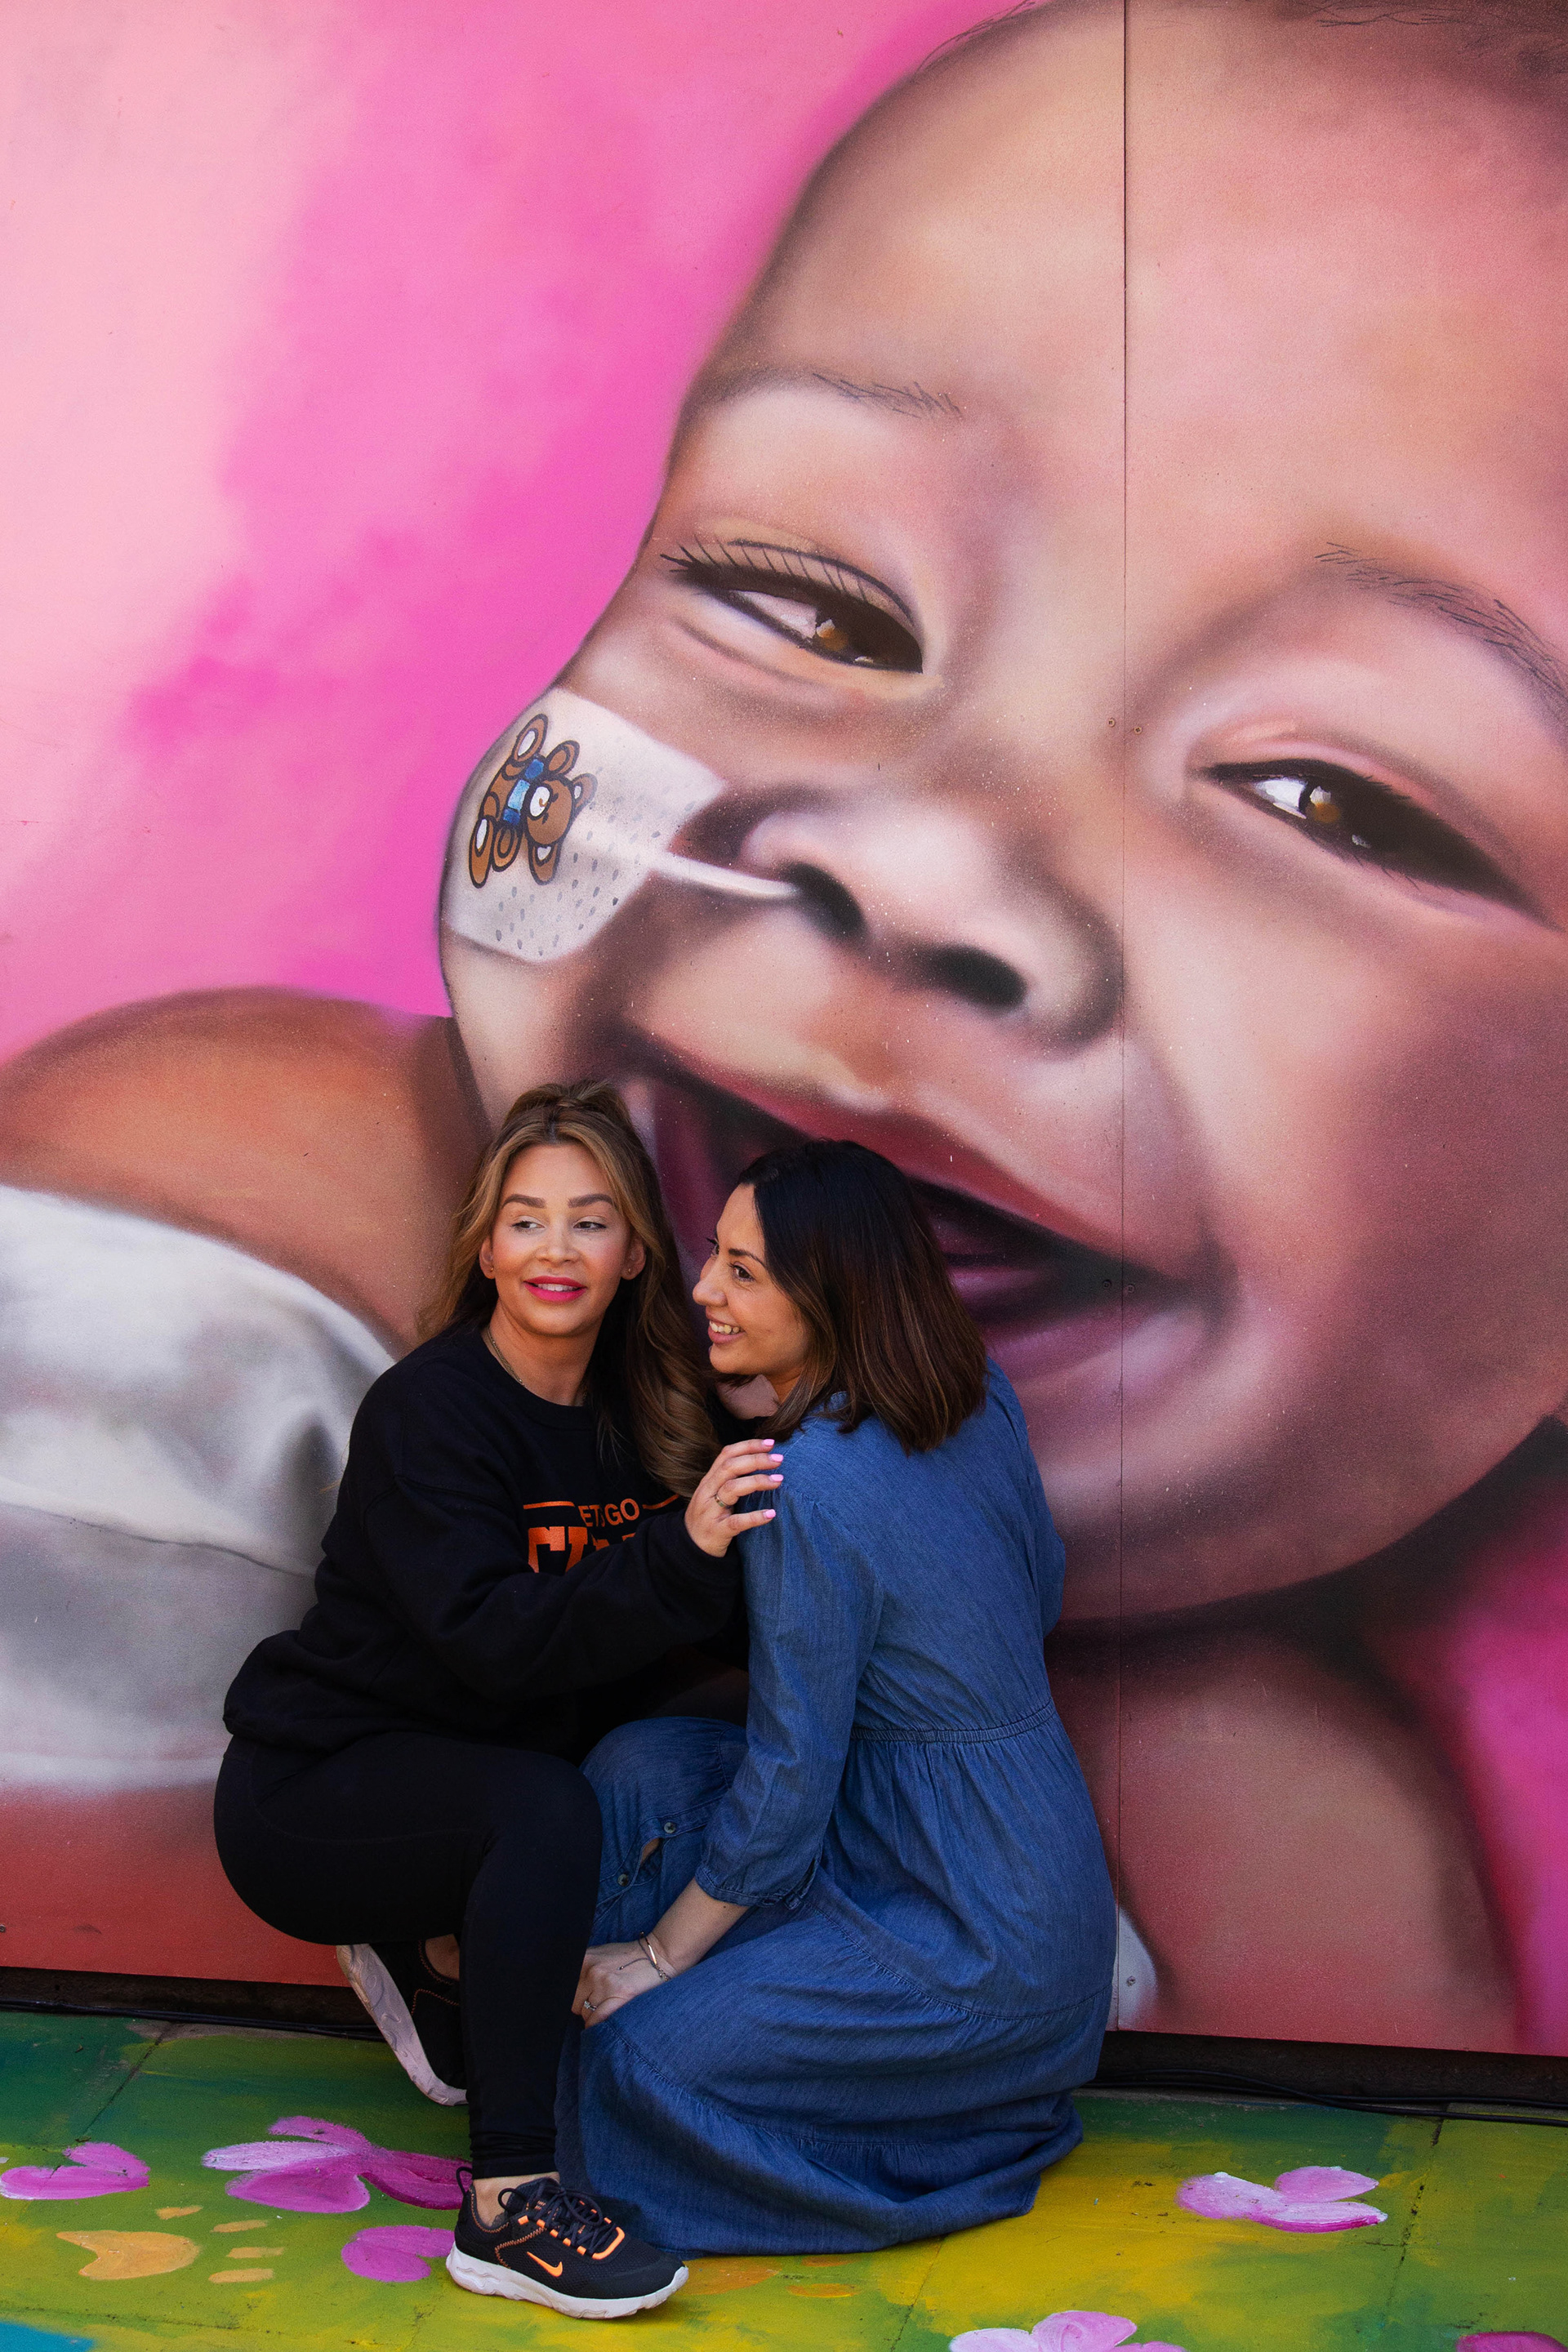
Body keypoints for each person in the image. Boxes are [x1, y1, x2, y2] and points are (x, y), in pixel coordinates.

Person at [5, 0, 1568, 2055]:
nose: (923, 866)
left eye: (1339, 801)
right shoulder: (228, 1235)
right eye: (808, 601)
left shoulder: (1291, 1828)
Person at [213, 1080, 783, 2319]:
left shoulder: (649, 1417)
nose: (554, 1250)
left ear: (636, 1253)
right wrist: (676, 1554)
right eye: (525, 1221)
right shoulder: (430, 1412)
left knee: (630, 1769)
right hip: (317, 1788)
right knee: (543, 1810)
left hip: (476, 1783)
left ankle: (437, 1952)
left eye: (590, 1221)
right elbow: (496, 1646)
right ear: (485, 1249)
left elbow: (716, 1612)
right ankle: (508, 2207)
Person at [560, 1138, 1116, 2253]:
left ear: (830, 1294)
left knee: (631, 2066)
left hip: (974, 1945)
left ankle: (956, 2129)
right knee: (641, 1766)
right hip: (1037, 1903)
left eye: (743, 1272)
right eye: (716, 1256)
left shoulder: (803, 1481)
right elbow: (1042, 1588)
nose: (705, 1290)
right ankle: (647, 2019)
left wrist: (661, 1957)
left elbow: (792, 1775)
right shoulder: (974, 1393)